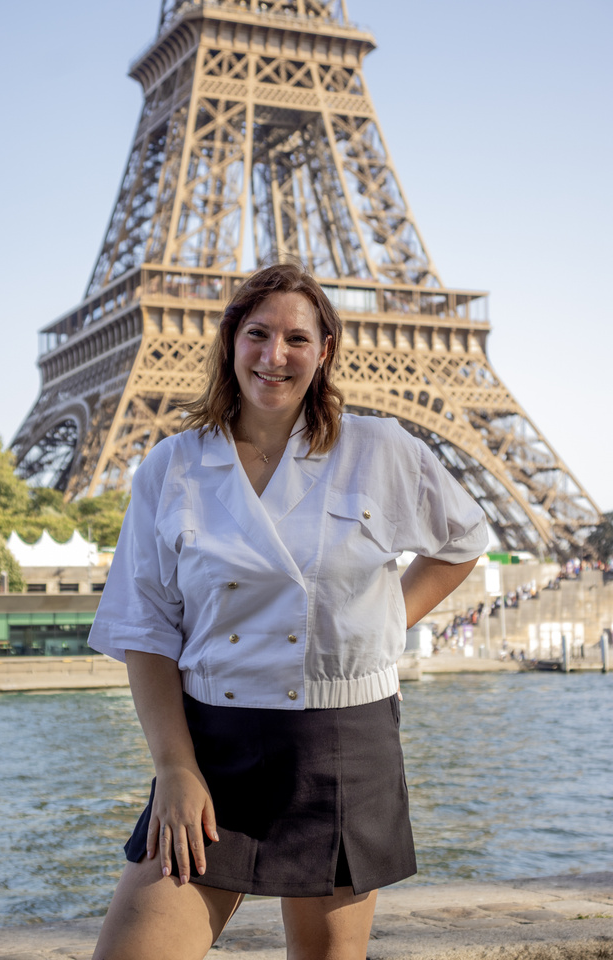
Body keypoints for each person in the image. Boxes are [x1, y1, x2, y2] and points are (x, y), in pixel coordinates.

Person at [88, 262, 488, 960]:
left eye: (297, 339)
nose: (275, 355)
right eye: (258, 334)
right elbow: (146, 628)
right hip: (212, 746)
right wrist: (175, 768)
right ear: (229, 341)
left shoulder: (380, 449)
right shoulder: (172, 467)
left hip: (343, 743)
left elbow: (463, 541)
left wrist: (381, 627)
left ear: (324, 351)